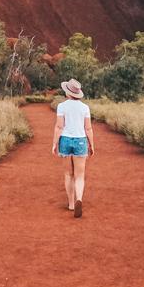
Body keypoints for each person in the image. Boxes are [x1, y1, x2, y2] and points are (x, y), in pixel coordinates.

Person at [51, 78, 95, 217]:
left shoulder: (62, 106)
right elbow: (88, 128)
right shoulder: (85, 108)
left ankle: (71, 204)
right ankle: (79, 199)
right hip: (80, 141)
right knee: (80, 175)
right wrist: (91, 145)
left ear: (67, 92)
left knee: (68, 174)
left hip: (65, 140)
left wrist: (54, 143)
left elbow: (59, 126)